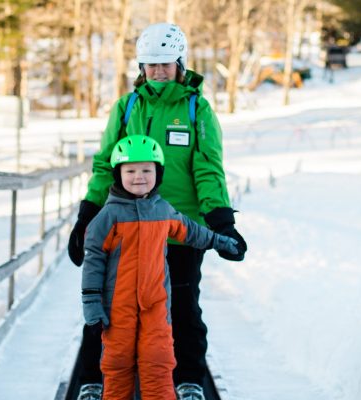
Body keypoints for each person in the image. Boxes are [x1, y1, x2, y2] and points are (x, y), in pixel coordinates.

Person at [68, 22, 247, 400]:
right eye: (151, 65)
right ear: (141, 68)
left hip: (180, 225)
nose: (159, 72)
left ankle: (188, 379)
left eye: (166, 64)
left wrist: (221, 222)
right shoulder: (127, 106)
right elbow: (105, 164)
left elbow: (208, 166)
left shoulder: (197, 108)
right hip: (125, 227)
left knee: (182, 306)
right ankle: (92, 379)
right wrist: (87, 216)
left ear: (180, 64)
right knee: (107, 304)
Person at [81, 135, 242, 400]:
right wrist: (91, 302)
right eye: (130, 170)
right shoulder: (108, 217)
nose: (139, 177)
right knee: (117, 363)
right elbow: (93, 259)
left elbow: (190, 231)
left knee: (158, 360)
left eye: (147, 170)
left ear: (159, 173)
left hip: (156, 303)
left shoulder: (163, 210)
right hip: (117, 306)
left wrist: (220, 240)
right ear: (118, 174)